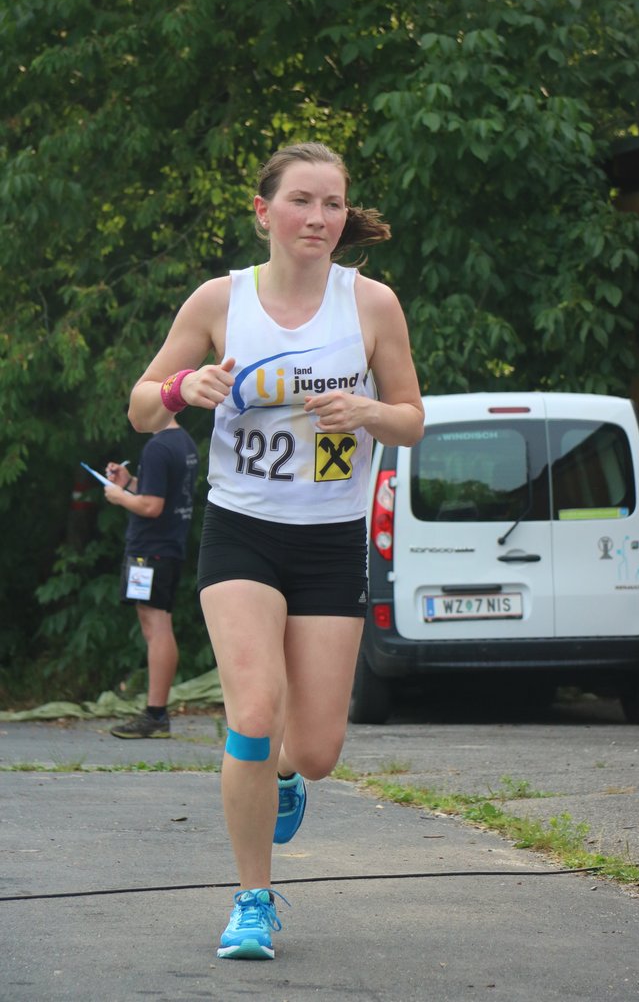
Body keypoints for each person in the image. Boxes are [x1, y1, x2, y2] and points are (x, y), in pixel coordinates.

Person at [127, 142, 424, 960]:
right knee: (253, 713)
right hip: (243, 532)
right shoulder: (219, 301)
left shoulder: (371, 305)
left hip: (331, 539)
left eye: (332, 203)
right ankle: (251, 901)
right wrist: (184, 388)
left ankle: (287, 778)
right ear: (264, 211)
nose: (319, 218)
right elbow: (142, 407)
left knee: (317, 751)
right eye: (302, 201)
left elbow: (410, 419)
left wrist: (366, 413)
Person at [103, 416, 199, 739]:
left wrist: (118, 496)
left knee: (155, 627)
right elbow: (158, 494)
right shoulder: (183, 442)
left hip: (149, 552)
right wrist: (129, 483)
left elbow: (151, 506)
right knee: (159, 625)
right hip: (168, 548)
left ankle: (156, 714)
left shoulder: (157, 447)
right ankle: (156, 713)